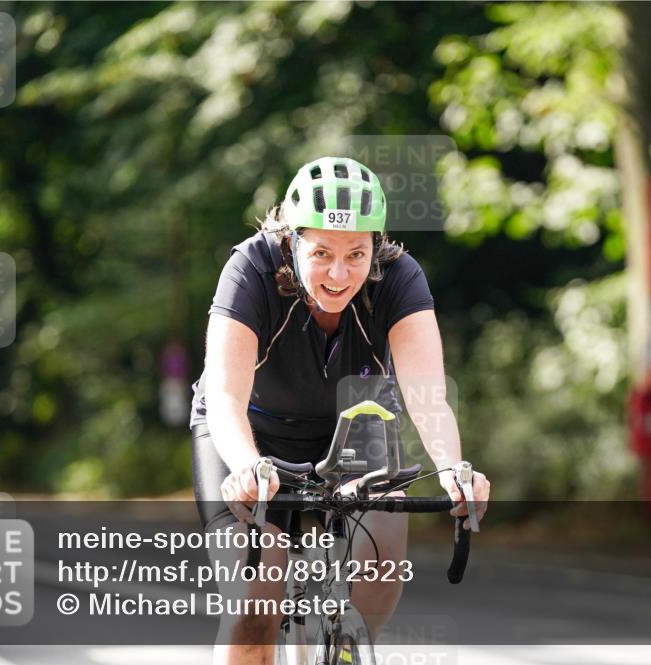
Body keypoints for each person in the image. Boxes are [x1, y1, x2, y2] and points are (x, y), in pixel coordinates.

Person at [191, 156, 490, 665]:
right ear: (292, 241)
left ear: (376, 246)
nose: (338, 272)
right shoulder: (250, 269)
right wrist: (245, 466)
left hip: (353, 427)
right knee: (255, 601)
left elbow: (427, 396)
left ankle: (349, 647)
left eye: (356, 253)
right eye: (321, 252)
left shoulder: (399, 279)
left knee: (382, 556)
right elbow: (224, 397)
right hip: (251, 435)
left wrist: (454, 471)